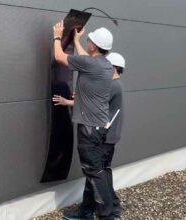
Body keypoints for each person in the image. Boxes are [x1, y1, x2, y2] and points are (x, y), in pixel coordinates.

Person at [52, 21, 115, 220]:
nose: (88, 42)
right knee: (94, 172)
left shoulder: (89, 64)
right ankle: (86, 212)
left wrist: (56, 35)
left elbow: (59, 56)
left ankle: (107, 216)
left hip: (89, 128)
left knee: (94, 173)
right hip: (100, 127)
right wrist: (77, 40)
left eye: (89, 40)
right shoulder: (105, 65)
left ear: (94, 46)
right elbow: (84, 58)